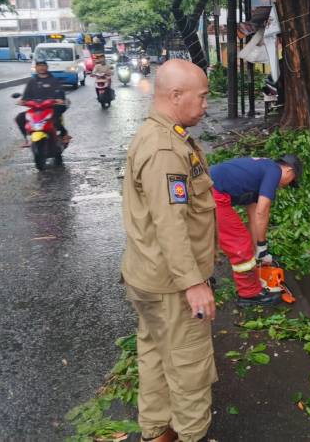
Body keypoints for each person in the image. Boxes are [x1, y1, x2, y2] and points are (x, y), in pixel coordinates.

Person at [121, 59, 217, 442]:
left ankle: (157, 432)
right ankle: (189, 434)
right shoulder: (165, 150)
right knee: (190, 369)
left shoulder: (163, 135)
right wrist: (193, 283)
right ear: (176, 96)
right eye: (202, 96)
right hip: (171, 287)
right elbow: (170, 224)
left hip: (148, 278)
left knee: (156, 357)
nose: (206, 104)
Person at [210, 155, 302, 306]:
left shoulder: (260, 172)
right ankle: (249, 294)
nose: (286, 185)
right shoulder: (274, 171)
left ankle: (200, 280)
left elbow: (254, 216)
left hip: (205, 187)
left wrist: (259, 250)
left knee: (205, 237)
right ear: (289, 170)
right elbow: (262, 211)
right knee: (240, 243)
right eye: (291, 181)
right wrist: (261, 246)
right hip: (213, 193)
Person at [15, 60, 69, 147]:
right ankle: (26, 138)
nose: (41, 68)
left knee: (55, 119)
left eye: (43, 65)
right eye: (39, 66)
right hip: (37, 108)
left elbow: (60, 92)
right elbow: (26, 95)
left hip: (52, 106)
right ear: (36, 68)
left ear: (47, 67)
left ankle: (64, 134)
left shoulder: (53, 80)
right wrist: (22, 101)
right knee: (19, 118)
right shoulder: (32, 81)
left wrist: (59, 99)